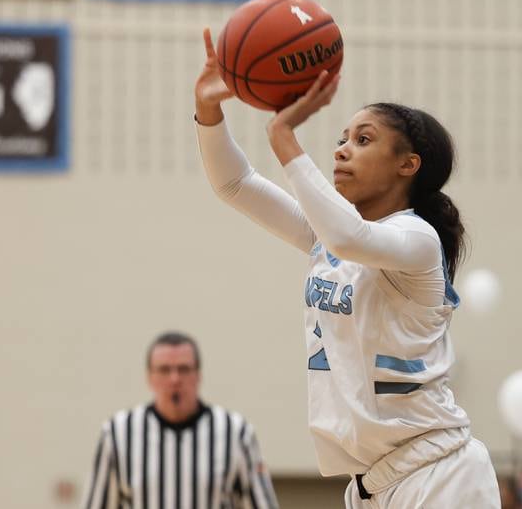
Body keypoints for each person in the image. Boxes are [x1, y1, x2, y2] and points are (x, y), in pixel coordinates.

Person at [194, 28, 500, 508]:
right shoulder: (330, 235)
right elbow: (234, 184)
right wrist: (209, 112)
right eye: (341, 139)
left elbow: (349, 237)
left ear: (408, 165)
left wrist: (283, 137)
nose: (341, 150)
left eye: (362, 139)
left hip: (438, 474)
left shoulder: (417, 238)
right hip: (370, 485)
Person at [81, 331, 278, 509]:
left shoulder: (236, 433)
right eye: (164, 370)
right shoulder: (117, 434)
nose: (174, 379)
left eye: (183, 369)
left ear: (198, 375)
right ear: (149, 376)